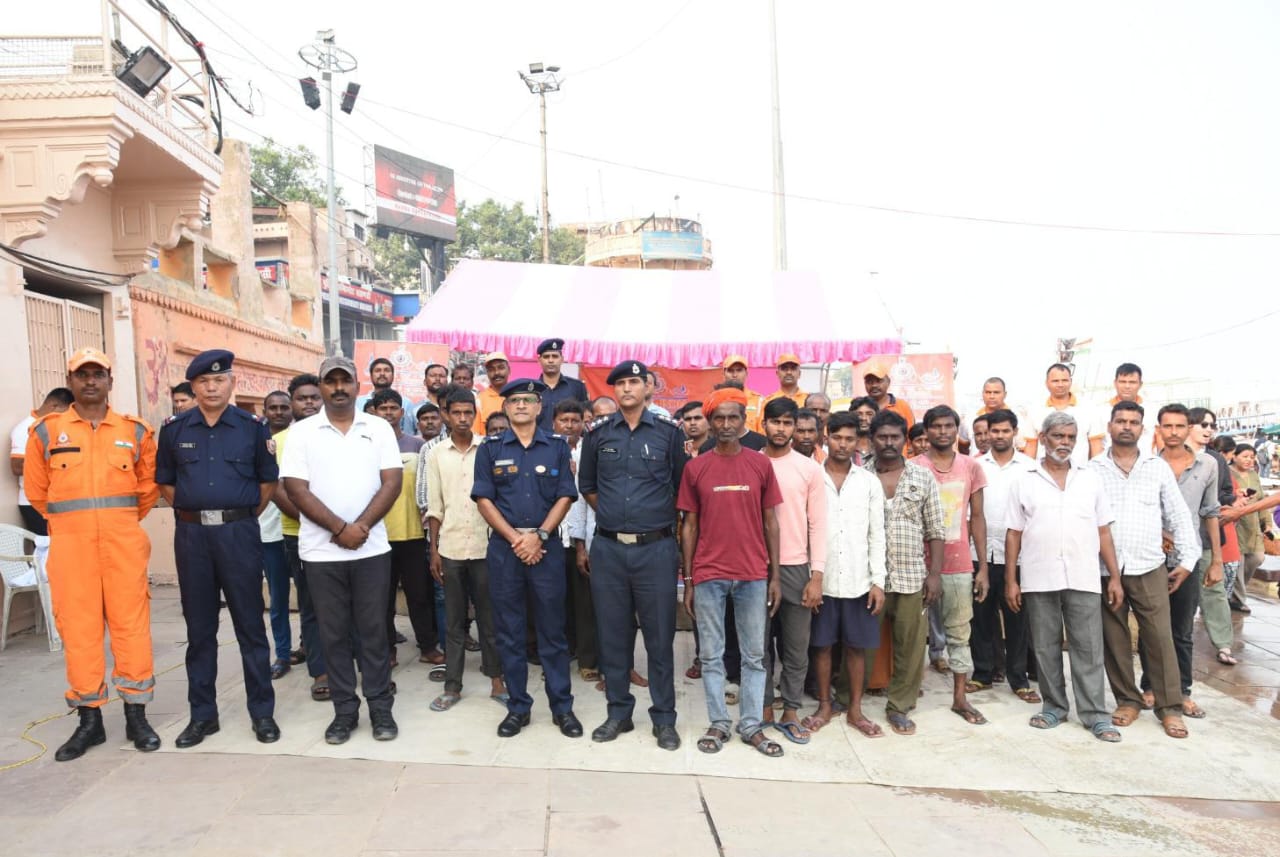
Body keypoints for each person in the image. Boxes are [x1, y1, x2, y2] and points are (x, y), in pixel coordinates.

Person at [24, 347, 160, 761]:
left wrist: (115, 523)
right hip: (72, 548)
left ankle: (136, 716)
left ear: (109, 381)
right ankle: (90, 721)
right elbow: (38, 493)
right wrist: (76, 525)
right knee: (79, 632)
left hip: (123, 545)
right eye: (81, 375)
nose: (90, 381)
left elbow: (147, 488)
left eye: (97, 374)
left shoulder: (135, 431)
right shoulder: (47, 432)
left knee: (131, 629)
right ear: (70, 382)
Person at [157, 349, 280, 748]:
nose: (212, 387)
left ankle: (262, 713)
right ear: (193, 386)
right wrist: (197, 513)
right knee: (199, 630)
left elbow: (267, 483)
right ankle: (202, 716)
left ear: (231, 383)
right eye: (203, 381)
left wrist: (236, 516)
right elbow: (166, 483)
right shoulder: (174, 429)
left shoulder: (253, 428)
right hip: (192, 538)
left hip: (238, 535)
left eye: (219, 380)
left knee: (250, 627)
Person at [281, 355, 403, 745]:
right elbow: (295, 489)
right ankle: (344, 712)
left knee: (374, 632)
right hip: (322, 553)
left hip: (371, 550)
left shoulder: (378, 427)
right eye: (330, 381)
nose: (338, 388)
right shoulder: (302, 432)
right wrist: (339, 528)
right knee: (332, 635)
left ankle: (380, 709)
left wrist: (361, 527)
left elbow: (392, 482)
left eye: (344, 381)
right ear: (320, 386)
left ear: (356, 386)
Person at [578, 360, 686, 750]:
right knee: (613, 635)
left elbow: (681, 489)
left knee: (659, 638)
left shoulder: (669, 434)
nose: (626, 388)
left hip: (655, 549)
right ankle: (618, 713)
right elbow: (588, 486)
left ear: (648, 388)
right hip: (609, 549)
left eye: (634, 382)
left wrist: (647, 519)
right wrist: (614, 516)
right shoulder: (597, 434)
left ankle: (664, 718)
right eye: (620, 383)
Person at [1004, 411, 1123, 742]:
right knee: (1045, 646)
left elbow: (1103, 531)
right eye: (1058, 436)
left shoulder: (1090, 479)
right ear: (1043, 438)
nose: (1065, 443)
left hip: (1084, 575)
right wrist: (1011, 580)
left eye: (1071, 437)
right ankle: (1054, 707)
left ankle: (1095, 715)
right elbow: (1013, 533)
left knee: (1089, 647)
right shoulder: (1024, 480)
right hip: (1039, 575)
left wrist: (1114, 576)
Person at [471, 379, 580, 739]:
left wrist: (540, 536)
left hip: (546, 548)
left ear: (538, 407)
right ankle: (518, 707)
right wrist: (517, 539)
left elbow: (565, 495)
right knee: (510, 632)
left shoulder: (557, 447)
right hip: (506, 550)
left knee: (553, 631)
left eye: (528, 400)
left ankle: (562, 707)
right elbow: (484, 499)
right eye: (514, 400)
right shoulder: (490, 449)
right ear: (505, 408)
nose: (520, 405)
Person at [680, 387, 784, 758]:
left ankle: (752, 725)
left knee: (754, 655)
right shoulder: (695, 468)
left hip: (753, 574)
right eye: (719, 418)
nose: (726, 424)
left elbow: (771, 522)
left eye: (732, 417)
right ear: (710, 422)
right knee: (711, 655)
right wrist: (688, 580)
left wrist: (774, 575)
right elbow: (689, 526)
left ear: (743, 421)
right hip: (709, 574)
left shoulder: (761, 464)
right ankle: (719, 723)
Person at [1089, 401, 1198, 740]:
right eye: (1120, 421)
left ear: (1142, 428)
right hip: (1105, 568)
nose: (1126, 426)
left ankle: (1169, 707)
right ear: (1109, 426)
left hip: (1149, 565)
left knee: (1160, 638)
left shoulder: (1156, 468)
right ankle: (1128, 700)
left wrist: (1187, 560)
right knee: (1114, 639)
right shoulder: (1092, 469)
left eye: (1133, 422)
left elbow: (1178, 515)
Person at [802, 411, 886, 737]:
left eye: (850, 439)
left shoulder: (868, 482)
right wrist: (811, 577)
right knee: (821, 646)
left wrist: (878, 581)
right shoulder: (812, 477)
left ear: (858, 442)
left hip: (857, 580)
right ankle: (825, 705)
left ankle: (855, 710)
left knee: (856, 647)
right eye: (837, 437)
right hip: (821, 579)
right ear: (826, 438)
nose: (843, 444)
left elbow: (877, 534)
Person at [426, 388, 506, 711]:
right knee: (454, 622)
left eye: (467, 413)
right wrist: (434, 550)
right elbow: (435, 506)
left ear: (475, 415)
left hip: (486, 548)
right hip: (451, 548)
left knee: (490, 619)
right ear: (446, 415)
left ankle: (497, 681)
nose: (462, 418)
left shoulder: (489, 449)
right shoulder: (436, 454)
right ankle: (452, 686)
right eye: (456, 413)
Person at [865, 410, 944, 735]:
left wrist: (934, 575)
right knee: (860, 642)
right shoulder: (860, 476)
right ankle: (848, 699)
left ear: (905, 440)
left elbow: (936, 529)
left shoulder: (922, 477)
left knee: (911, 647)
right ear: (871, 439)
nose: (888, 442)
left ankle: (899, 705)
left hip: (911, 575)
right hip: (869, 578)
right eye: (882, 437)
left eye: (895, 437)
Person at [912, 405, 990, 726]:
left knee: (959, 632)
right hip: (917, 564)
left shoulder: (971, 467)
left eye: (949, 426)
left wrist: (982, 567)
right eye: (936, 426)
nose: (943, 432)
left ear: (957, 430)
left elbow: (978, 518)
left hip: (958, 564)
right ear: (927, 431)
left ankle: (960, 697)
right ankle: (908, 692)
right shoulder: (913, 467)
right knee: (913, 633)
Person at [1145, 404, 1223, 716]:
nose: (1174, 432)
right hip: (1151, 557)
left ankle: (1182, 691)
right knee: (1152, 627)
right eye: (1168, 426)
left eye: (1180, 426)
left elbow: (1211, 512)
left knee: (1182, 629)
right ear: (1159, 429)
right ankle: (1150, 687)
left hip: (1189, 558)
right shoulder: (1148, 464)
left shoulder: (1208, 465)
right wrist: (1161, 532)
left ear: (1188, 428)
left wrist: (1216, 560)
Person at [757, 397, 827, 743]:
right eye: (776, 422)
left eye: (788, 423)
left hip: (797, 567)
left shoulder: (809, 469)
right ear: (763, 424)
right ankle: (764, 706)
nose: (781, 429)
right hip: (756, 567)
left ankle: (791, 709)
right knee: (758, 645)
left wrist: (817, 576)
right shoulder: (751, 463)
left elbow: (818, 524)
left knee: (796, 647)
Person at [969, 409, 1039, 703]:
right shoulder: (975, 465)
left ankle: (1019, 679)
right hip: (980, 554)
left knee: (1017, 619)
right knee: (980, 618)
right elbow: (971, 512)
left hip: (1018, 557)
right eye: (994, 431)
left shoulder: (1030, 468)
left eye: (1004, 431)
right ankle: (982, 674)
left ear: (1015, 432)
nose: (998, 436)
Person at [271, 374, 329, 702]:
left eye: (314, 397)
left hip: (341, 534)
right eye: (302, 398)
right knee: (311, 604)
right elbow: (277, 489)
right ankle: (320, 671)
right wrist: (317, 520)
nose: (309, 403)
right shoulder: (280, 441)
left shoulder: (336, 435)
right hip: (299, 534)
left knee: (348, 604)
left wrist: (337, 526)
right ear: (291, 402)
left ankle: (350, 664)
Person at [371, 389, 437, 672]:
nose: (388, 412)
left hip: (412, 534)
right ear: (374, 412)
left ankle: (427, 648)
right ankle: (387, 650)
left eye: (393, 408)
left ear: (402, 412)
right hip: (378, 535)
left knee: (419, 596)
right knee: (382, 599)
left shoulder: (418, 445)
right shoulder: (368, 446)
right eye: (382, 408)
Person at [552, 399, 597, 680]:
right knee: (554, 603)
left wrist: (581, 544)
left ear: (583, 423)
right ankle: (558, 658)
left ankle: (587, 659)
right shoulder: (546, 450)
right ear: (554, 422)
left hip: (581, 538)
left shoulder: (590, 451)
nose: (569, 426)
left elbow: (586, 499)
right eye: (564, 420)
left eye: (575, 421)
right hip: (552, 537)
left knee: (585, 603)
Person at [260, 391, 294, 680]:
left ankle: (309, 646)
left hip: (299, 531)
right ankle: (283, 654)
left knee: (311, 599)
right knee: (278, 599)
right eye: (274, 408)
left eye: (284, 407)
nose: (279, 412)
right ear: (265, 411)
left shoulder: (299, 441)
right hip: (268, 534)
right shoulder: (255, 441)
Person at [11, 387, 73, 536]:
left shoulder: (52, 427)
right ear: (53, 406)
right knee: (46, 545)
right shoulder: (25, 428)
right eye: (64, 413)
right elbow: (17, 466)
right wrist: (56, 462)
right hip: (33, 502)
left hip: (54, 500)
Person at [1023, 363, 1099, 465]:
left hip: (1079, 471)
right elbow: (1031, 446)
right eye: (1055, 381)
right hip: (1043, 472)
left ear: (1071, 382)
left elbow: (1096, 446)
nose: (1060, 385)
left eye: (1065, 380)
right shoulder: (1035, 409)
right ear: (1046, 383)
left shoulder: (1089, 408)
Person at [1228, 443, 1271, 611]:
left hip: (1253, 524)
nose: (1249, 460)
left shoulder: (1254, 474)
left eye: (1252, 457)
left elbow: (1262, 500)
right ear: (1234, 456)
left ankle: (1233, 590)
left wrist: (1266, 522)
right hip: (1236, 523)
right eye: (1245, 456)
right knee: (1237, 562)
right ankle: (1238, 599)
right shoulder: (1227, 473)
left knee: (1257, 558)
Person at [1096, 363, 1154, 454]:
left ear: (1140, 384)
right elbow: (1096, 446)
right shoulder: (1100, 411)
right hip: (1110, 461)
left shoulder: (1153, 410)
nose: (1127, 386)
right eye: (1122, 382)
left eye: (1132, 382)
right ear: (1115, 383)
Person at [958, 377, 1024, 455]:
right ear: (982, 394)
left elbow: (1022, 449)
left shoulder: (1016, 418)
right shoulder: (970, 417)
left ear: (1005, 394)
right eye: (988, 392)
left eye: (996, 392)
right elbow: (963, 446)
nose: (992, 396)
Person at [535, 338, 590, 432]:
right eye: (546, 357)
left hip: (567, 440)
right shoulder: (533, 390)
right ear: (539, 360)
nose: (551, 360)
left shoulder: (577, 387)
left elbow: (584, 417)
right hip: (539, 440)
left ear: (562, 359)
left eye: (555, 356)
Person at [356, 357, 416, 436]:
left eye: (386, 370)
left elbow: (408, 433)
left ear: (393, 375)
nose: (382, 374)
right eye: (378, 371)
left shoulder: (406, 402)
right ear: (371, 376)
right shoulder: (358, 402)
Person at [861, 361, 914, 426]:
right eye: (869, 381)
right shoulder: (860, 407)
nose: (874, 385)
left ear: (888, 382)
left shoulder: (902, 406)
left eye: (879, 381)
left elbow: (910, 431)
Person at [721, 355, 765, 431]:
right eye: (730, 370)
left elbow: (762, 432)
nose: (735, 375)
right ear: (723, 374)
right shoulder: (715, 399)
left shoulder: (759, 401)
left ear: (746, 373)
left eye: (739, 370)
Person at [474, 352, 510, 435]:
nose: (496, 372)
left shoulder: (517, 397)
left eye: (501, 368)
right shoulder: (479, 400)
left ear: (509, 370)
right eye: (491, 369)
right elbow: (476, 435)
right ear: (487, 373)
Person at [848, 397, 878, 465]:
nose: (864, 418)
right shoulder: (844, 445)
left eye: (869, 414)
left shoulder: (881, 446)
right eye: (858, 414)